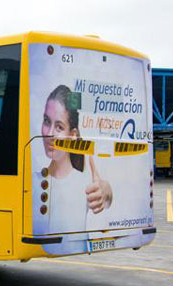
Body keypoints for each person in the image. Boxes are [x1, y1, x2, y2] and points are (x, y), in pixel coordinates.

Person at [40, 85, 113, 233]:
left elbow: (106, 227)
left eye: (59, 127)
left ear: (73, 135)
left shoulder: (86, 185)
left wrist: (108, 195)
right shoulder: (31, 180)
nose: (49, 133)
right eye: (47, 121)